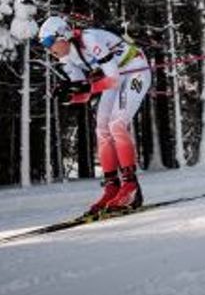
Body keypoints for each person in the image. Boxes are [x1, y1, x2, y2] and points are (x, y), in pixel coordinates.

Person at [38, 16, 150, 214]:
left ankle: (131, 187)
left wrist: (83, 87)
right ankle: (112, 187)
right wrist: (69, 96)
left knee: (116, 124)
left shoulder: (89, 39)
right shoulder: (65, 58)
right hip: (115, 76)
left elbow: (112, 79)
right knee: (101, 129)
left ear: (62, 36)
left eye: (49, 42)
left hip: (135, 69)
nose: (48, 49)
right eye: (43, 45)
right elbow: (85, 94)